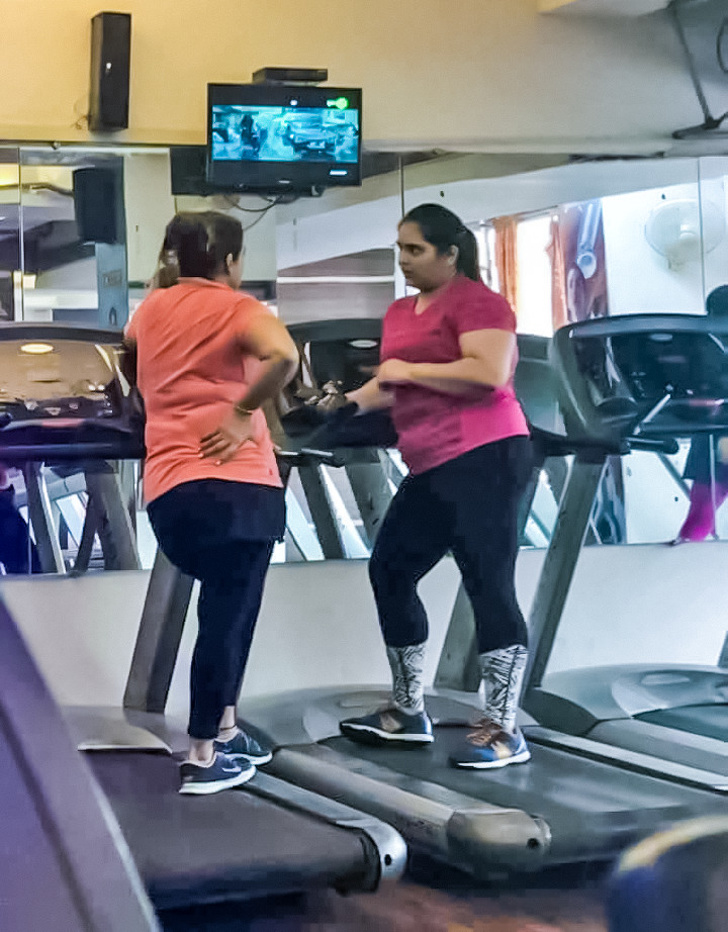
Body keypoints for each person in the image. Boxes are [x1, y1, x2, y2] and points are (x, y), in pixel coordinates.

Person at [339, 203, 533, 769]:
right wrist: (341, 406)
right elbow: (389, 384)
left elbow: (488, 372)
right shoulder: (400, 311)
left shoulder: (479, 302)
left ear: (450, 254)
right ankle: (407, 711)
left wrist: (411, 372)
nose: (404, 260)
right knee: (391, 570)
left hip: (486, 455)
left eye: (415, 249)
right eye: (399, 249)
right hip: (430, 463)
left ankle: (503, 729)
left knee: (488, 583)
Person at [124, 211, 298, 795]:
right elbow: (283, 356)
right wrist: (243, 410)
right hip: (238, 487)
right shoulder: (238, 308)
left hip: (171, 494)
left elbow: (129, 358)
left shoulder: (150, 310)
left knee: (224, 612)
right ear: (229, 261)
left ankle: (224, 729)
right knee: (228, 618)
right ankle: (202, 753)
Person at [672, 286, 728, 544]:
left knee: (700, 518)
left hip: (712, 436)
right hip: (714, 437)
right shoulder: (705, 346)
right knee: (701, 517)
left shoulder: (702, 345)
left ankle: (683, 554)